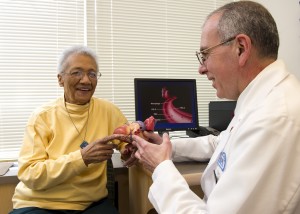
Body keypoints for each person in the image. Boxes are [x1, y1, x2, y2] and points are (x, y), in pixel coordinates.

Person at [132, 1, 300, 213]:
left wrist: (161, 167)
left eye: (205, 54)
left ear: (241, 48)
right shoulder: (262, 99)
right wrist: (168, 148)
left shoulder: (274, 119)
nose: (201, 68)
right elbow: (220, 143)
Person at [10, 45, 134, 214]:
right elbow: (30, 175)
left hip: (92, 205)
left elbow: (126, 142)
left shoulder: (109, 111)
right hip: (40, 204)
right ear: (60, 79)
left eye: (92, 74)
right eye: (77, 72)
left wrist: (130, 151)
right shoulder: (42, 117)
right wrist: (81, 158)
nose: (86, 80)